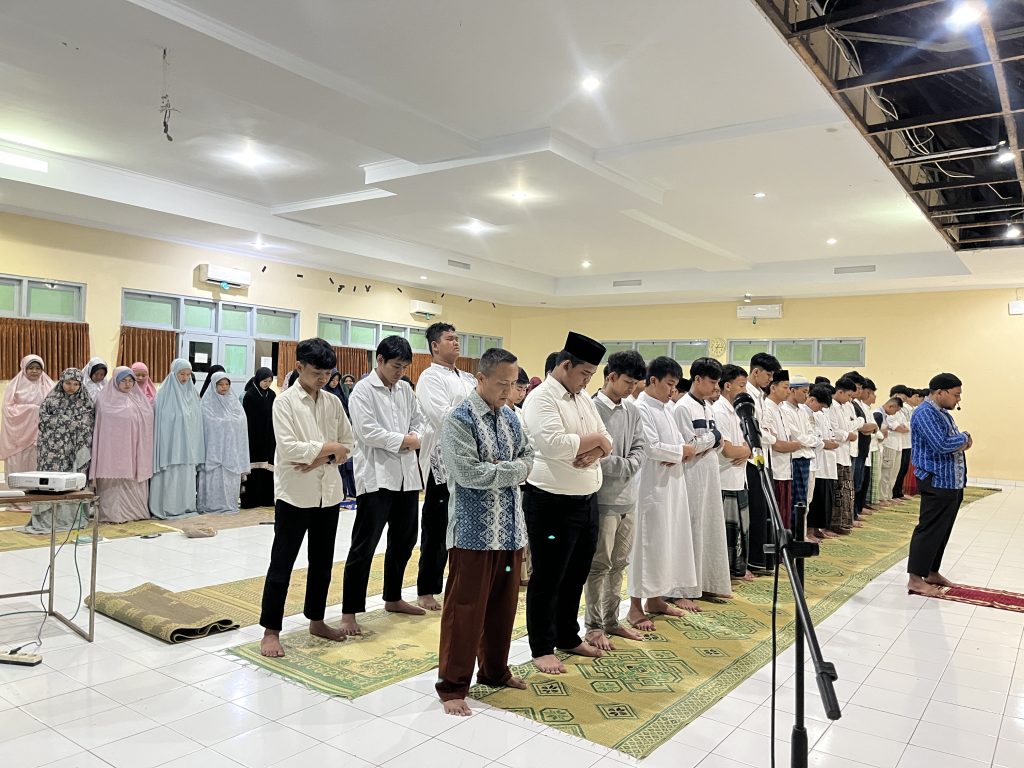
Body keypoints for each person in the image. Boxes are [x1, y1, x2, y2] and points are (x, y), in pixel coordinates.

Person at [435, 348, 534, 716]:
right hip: (472, 533)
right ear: (481, 378)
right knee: (465, 611)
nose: (508, 391)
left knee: (502, 609)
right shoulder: (459, 419)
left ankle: (494, 671)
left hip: (510, 530)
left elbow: (529, 458)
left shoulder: (511, 417)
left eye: (513, 384)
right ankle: (452, 685)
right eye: (502, 384)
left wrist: (501, 468)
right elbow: (468, 474)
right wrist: (512, 470)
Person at [522, 332, 611, 674]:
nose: (588, 381)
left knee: (576, 574)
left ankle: (567, 636)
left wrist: (598, 447)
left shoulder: (583, 398)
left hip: (586, 501)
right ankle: (541, 646)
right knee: (548, 577)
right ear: (565, 365)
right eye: (584, 374)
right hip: (551, 503)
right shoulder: (541, 398)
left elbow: (609, 440)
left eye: (591, 375)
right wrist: (598, 440)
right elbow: (555, 444)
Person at [259, 338, 354, 657]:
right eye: (316, 373)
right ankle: (271, 631)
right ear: (299, 366)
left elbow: (350, 444)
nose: (323, 379)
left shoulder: (333, 403)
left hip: (329, 495)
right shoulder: (284, 403)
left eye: (327, 373)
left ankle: (317, 619)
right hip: (294, 495)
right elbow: (289, 450)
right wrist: (331, 450)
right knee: (282, 563)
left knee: (322, 563)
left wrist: (319, 457)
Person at [341, 336, 425, 635]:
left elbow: (420, 422)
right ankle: (349, 611)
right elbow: (367, 432)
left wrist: (415, 437)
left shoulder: (405, 390)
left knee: (404, 540)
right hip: (376, 478)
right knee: (364, 545)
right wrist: (405, 440)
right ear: (379, 360)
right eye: (395, 366)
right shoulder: (363, 391)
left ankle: (393, 597)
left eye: (404, 367)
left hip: (407, 477)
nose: (399, 372)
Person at [629, 356, 699, 624]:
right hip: (650, 487)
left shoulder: (668, 408)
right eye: (669, 384)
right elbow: (651, 447)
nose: (673, 390)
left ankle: (656, 599)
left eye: (675, 385)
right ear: (653, 380)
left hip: (672, 485)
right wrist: (680, 452)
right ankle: (635, 606)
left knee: (666, 542)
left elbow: (680, 444)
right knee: (646, 544)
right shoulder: (640, 408)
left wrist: (680, 452)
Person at [584, 351, 647, 650]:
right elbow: (591, 456)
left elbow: (641, 449)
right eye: (627, 382)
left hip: (628, 499)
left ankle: (611, 620)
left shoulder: (632, 410)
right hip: (602, 499)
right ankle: (593, 626)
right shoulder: (590, 408)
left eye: (635, 383)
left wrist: (625, 464)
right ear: (610, 376)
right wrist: (625, 465)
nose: (631, 388)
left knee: (620, 563)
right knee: (599, 564)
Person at [415, 323, 478, 612]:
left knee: (464, 526)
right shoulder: (430, 377)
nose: (456, 343)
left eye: (457, 338)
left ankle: (460, 582)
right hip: (441, 462)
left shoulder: (467, 377)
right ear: (434, 346)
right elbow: (443, 417)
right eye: (449, 339)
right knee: (437, 528)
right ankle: (427, 589)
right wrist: (474, 416)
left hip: (470, 461)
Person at [906, 373, 971, 597]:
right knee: (929, 528)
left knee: (942, 529)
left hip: (951, 480)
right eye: (956, 394)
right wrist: (965, 438)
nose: (958, 399)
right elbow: (942, 445)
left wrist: (960, 440)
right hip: (936, 480)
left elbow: (952, 443)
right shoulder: (925, 413)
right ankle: (915, 579)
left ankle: (932, 572)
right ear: (940, 392)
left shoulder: (942, 413)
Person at [673, 357, 732, 602]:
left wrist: (711, 441)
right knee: (691, 530)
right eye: (712, 382)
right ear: (697, 379)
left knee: (709, 528)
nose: (716, 387)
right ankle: (683, 590)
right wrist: (712, 439)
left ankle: (706, 583)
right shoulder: (683, 407)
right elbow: (688, 447)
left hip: (709, 472)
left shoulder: (708, 406)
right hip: (691, 475)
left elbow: (718, 443)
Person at [24, 368, 95, 534]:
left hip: (75, 451)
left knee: (72, 483)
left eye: (76, 384)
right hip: (52, 453)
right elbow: (44, 422)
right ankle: (47, 519)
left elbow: (87, 426)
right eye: (68, 383)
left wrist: (62, 422)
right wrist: (69, 423)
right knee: (50, 483)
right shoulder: (51, 400)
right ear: (62, 382)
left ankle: (72, 519)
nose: (71, 387)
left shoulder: (86, 403)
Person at [91, 366, 155, 523]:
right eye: (123, 381)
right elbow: (101, 425)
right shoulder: (104, 400)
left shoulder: (139, 400)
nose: (127, 384)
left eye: (130, 381)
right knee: (113, 482)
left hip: (134, 449)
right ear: (115, 381)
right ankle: (113, 515)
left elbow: (148, 419)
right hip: (112, 451)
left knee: (133, 481)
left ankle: (136, 512)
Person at [149, 359, 205, 519]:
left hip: (188, 446)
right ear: (174, 373)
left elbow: (197, 420)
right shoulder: (163, 393)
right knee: (171, 477)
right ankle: (168, 508)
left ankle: (186, 507)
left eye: (188, 374)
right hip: (170, 446)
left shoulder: (192, 393)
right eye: (182, 374)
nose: (185, 377)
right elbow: (161, 420)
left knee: (186, 477)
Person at [714, 364, 754, 580]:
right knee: (726, 531)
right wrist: (746, 450)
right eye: (741, 385)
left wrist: (746, 450)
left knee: (740, 528)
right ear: (727, 386)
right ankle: (724, 573)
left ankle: (737, 569)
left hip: (739, 477)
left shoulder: (739, 410)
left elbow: (751, 442)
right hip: (724, 478)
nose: (745, 390)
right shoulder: (719, 411)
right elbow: (728, 450)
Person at [745, 353, 781, 571]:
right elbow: (753, 429)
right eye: (768, 374)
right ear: (756, 372)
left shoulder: (760, 396)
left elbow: (765, 427)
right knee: (755, 512)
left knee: (764, 512)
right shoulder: (746, 395)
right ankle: (752, 560)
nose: (770, 379)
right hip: (751, 460)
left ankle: (762, 560)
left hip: (764, 459)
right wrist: (769, 436)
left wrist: (767, 435)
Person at [198, 372, 250, 514]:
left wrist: (227, 422)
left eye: (227, 384)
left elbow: (241, 420)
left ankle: (230, 504)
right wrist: (226, 422)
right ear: (214, 385)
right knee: (214, 478)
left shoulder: (234, 402)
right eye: (220, 384)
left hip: (231, 451)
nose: (224, 387)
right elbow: (207, 422)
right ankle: (210, 505)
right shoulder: (206, 404)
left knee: (230, 479)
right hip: (213, 452)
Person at [0, 355, 54, 477]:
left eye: (38, 368)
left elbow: (55, 407)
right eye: (31, 368)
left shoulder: (49, 385)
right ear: (24, 368)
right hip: (19, 436)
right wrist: (32, 410)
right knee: (18, 467)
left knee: (37, 469)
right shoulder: (14, 386)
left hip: (40, 435)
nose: (34, 371)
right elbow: (8, 409)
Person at [763, 369, 801, 529]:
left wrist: (794, 444)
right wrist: (796, 445)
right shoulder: (766, 408)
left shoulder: (781, 409)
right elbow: (776, 444)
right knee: (775, 514)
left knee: (785, 513)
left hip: (785, 469)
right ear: (773, 387)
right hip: (775, 469)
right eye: (785, 387)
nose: (788, 391)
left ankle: (784, 542)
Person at [784, 376, 820, 536]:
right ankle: (795, 536)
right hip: (796, 458)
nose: (807, 396)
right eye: (804, 392)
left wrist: (809, 441)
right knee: (796, 501)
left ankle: (801, 534)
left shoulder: (802, 411)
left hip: (806, 458)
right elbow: (797, 437)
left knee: (804, 500)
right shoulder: (785, 410)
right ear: (793, 390)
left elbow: (812, 435)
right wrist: (809, 441)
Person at [240, 367, 277, 508]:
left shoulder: (272, 395)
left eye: (269, 381)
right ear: (258, 379)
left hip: (268, 436)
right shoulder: (250, 395)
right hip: (253, 436)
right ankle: (251, 500)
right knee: (253, 468)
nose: (267, 384)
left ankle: (266, 498)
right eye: (264, 381)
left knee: (267, 468)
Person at [806, 385, 839, 540]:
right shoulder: (807, 413)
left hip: (825, 460)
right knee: (814, 499)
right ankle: (809, 531)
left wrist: (827, 442)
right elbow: (815, 438)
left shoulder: (820, 413)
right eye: (820, 406)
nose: (821, 409)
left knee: (822, 498)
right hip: (816, 459)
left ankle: (817, 528)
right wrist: (825, 443)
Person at [876, 396, 904, 507]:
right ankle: (882, 497)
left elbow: (906, 427)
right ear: (891, 406)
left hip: (893, 445)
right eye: (895, 410)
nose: (895, 413)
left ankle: (888, 496)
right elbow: (899, 428)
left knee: (892, 473)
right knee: (886, 473)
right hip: (888, 445)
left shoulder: (886, 415)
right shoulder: (878, 413)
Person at [889, 385, 913, 499]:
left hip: (904, 443)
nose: (904, 401)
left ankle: (897, 493)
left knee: (901, 470)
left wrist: (905, 426)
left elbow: (907, 426)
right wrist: (905, 426)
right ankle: (892, 494)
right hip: (895, 443)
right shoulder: (890, 409)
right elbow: (899, 427)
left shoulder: (901, 411)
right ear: (896, 395)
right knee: (891, 472)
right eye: (903, 398)